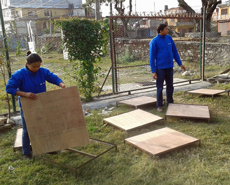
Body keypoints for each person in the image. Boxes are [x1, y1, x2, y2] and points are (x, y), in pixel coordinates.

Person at [6, 51, 65, 160]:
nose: (37, 68)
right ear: (27, 64)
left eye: (38, 66)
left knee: (45, 126)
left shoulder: (42, 72)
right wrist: (25, 94)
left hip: (42, 103)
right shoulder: (19, 74)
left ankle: (49, 148)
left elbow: (53, 77)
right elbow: (9, 88)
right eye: (34, 66)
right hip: (27, 106)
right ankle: (26, 153)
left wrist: (61, 83)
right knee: (27, 129)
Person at [149, 24, 185, 112]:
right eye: (166, 29)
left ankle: (170, 103)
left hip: (169, 68)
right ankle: (159, 105)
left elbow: (175, 52)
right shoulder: (154, 42)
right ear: (160, 31)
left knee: (170, 86)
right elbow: (151, 58)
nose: (167, 30)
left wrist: (180, 63)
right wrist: (153, 71)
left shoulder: (169, 38)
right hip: (160, 69)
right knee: (160, 88)